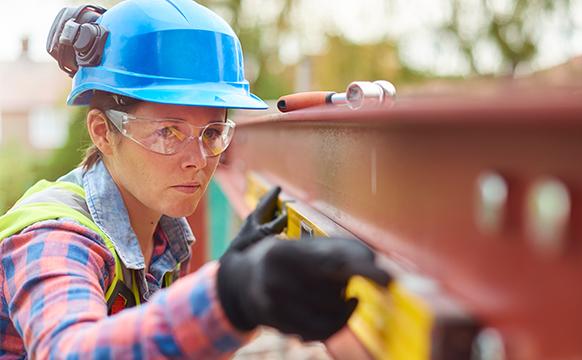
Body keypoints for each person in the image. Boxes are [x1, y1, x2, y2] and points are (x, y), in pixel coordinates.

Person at [0, 0, 390, 358]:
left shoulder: (162, 235)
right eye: (168, 132)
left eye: (212, 133)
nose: (198, 160)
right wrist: (230, 297)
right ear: (103, 132)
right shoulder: (54, 237)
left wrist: (236, 284)